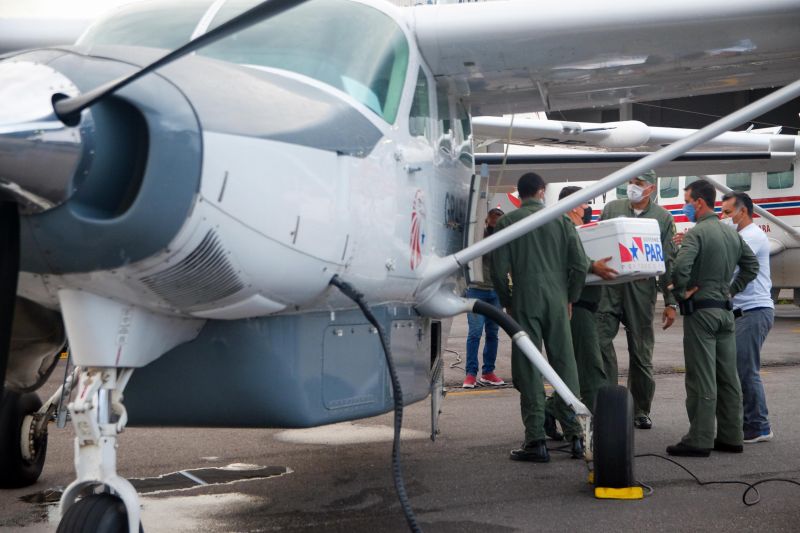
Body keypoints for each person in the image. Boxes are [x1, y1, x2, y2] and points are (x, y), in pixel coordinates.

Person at [491, 173, 588, 462]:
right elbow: (580, 265)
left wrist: (508, 301)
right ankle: (576, 436)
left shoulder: (508, 223)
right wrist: (570, 296)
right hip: (558, 301)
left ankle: (536, 440)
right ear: (542, 192)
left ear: (519, 194)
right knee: (565, 366)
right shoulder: (561, 220)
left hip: (524, 301)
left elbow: (497, 272)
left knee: (529, 367)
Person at [667, 179, 758, 457]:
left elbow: (681, 266)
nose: (685, 206)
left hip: (702, 313)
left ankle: (700, 438)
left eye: (686, 200)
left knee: (701, 376)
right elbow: (751, 266)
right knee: (727, 376)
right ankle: (731, 436)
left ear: (699, 203)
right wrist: (730, 290)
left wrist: (681, 291)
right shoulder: (731, 233)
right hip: (725, 312)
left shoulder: (697, 233)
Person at [596, 170, 678, 430]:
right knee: (599, 344)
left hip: (641, 291)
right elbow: (597, 244)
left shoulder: (662, 218)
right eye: (631, 182)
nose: (632, 187)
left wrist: (670, 301)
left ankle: (640, 409)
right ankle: (608, 403)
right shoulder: (612, 209)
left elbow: (668, 260)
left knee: (641, 354)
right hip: (609, 288)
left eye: (638, 183)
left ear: (651, 188)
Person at [720, 191, 775, 443]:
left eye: (728, 212)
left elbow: (729, 266)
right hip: (742, 312)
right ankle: (748, 423)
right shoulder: (739, 236)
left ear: (743, 211)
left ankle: (759, 426)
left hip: (754, 311)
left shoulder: (751, 236)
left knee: (746, 370)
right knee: (739, 369)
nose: (724, 217)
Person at [463, 207, 506, 389]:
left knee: (493, 333)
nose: (495, 226)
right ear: (486, 221)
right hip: (476, 290)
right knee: (475, 333)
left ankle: (488, 371)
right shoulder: (478, 237)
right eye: (492, 222)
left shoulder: (504, 237)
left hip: (495, 291)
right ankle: (470, 373)